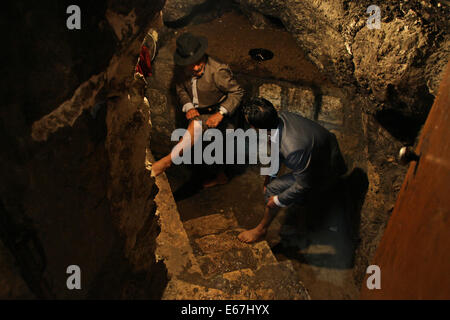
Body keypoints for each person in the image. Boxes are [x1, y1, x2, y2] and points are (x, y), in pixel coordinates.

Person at [238, 97, 347, 243]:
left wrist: (277, 200)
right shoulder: (279, 118)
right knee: (271, 189)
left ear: (256, 128)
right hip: (318, 154)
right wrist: (269, 177)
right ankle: (301, 208)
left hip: (324, 167)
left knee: (279, 197)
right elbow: (277, 151)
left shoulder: (293, 150)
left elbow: (304, 183)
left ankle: (262, 230)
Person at [151, 32, 244, 187]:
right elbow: (180, 89)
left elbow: (237, 92)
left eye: (198, 61)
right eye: (190, 64)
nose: (195, 67)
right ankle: (219, 176)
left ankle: (167, 162)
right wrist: (188, 106)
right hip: (200, 113)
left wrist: (220, 113)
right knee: (205, 145)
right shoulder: (181, 70)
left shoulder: (218, 71)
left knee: (198, 128)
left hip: (223, 115)